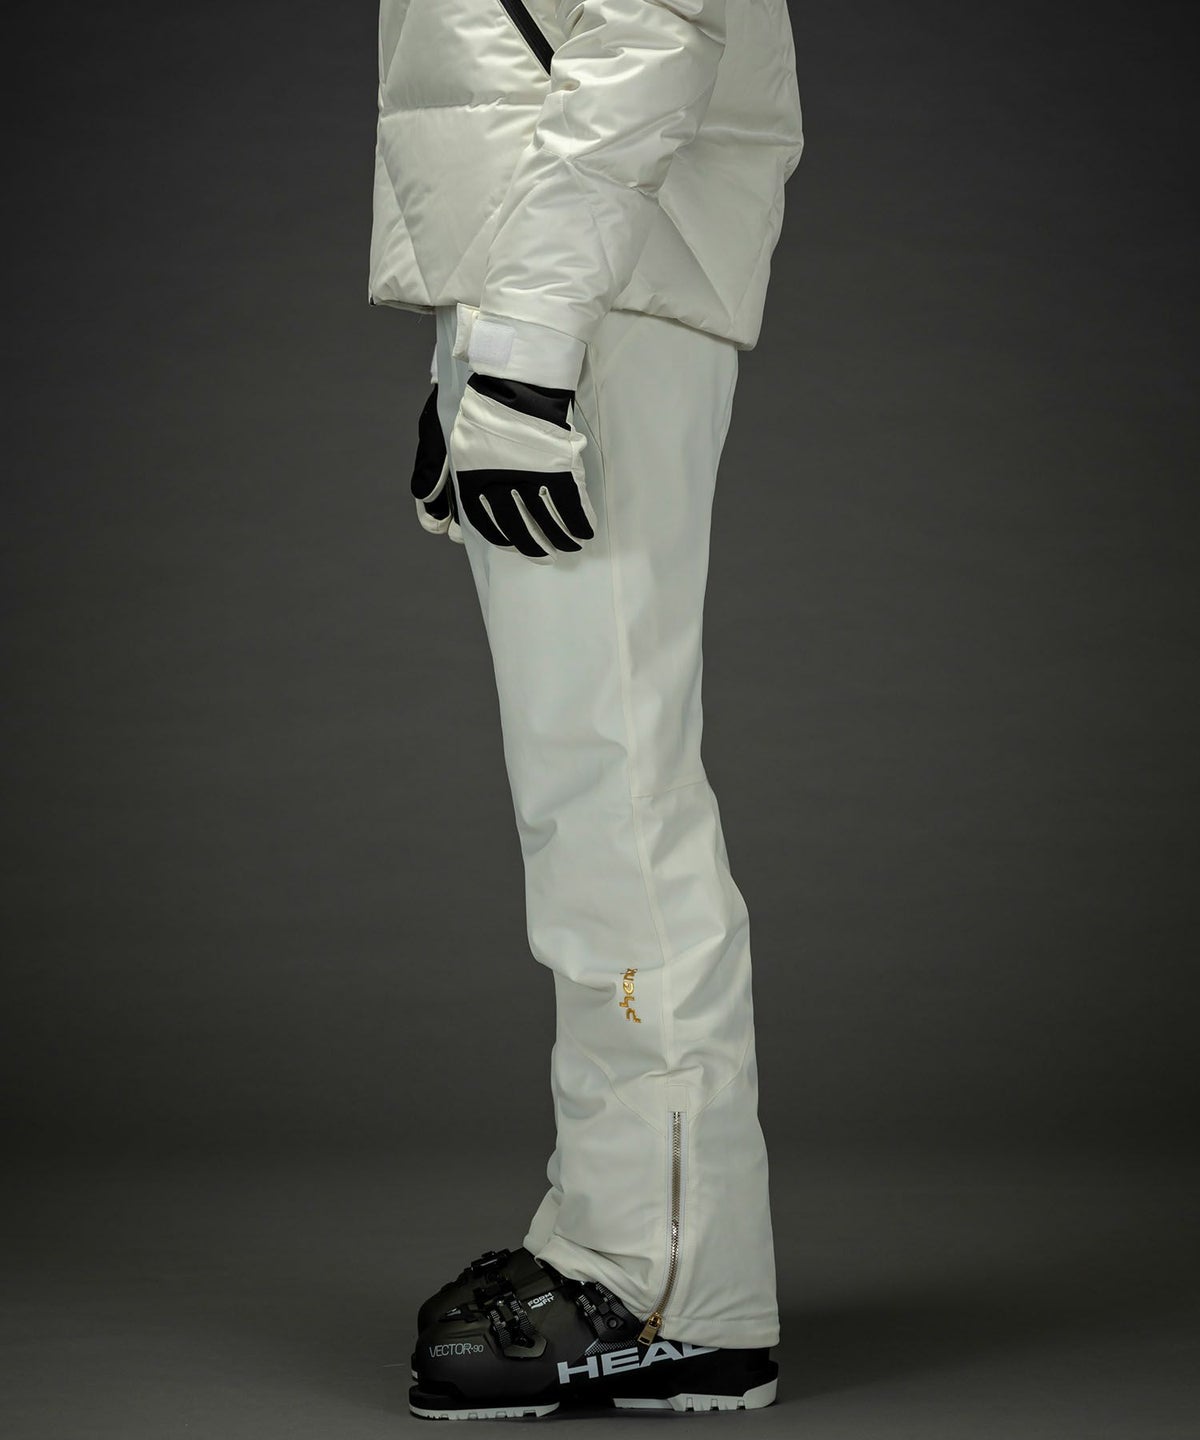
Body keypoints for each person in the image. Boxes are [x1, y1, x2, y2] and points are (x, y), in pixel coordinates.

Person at [368, 0, 803, 1419]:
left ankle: (668, 1288)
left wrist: (524, 347)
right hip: (559, 285)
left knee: (614, 796)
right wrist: (477, 336)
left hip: (590, 294)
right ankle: (633, 1242)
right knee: (591, 796)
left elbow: (645, 38)